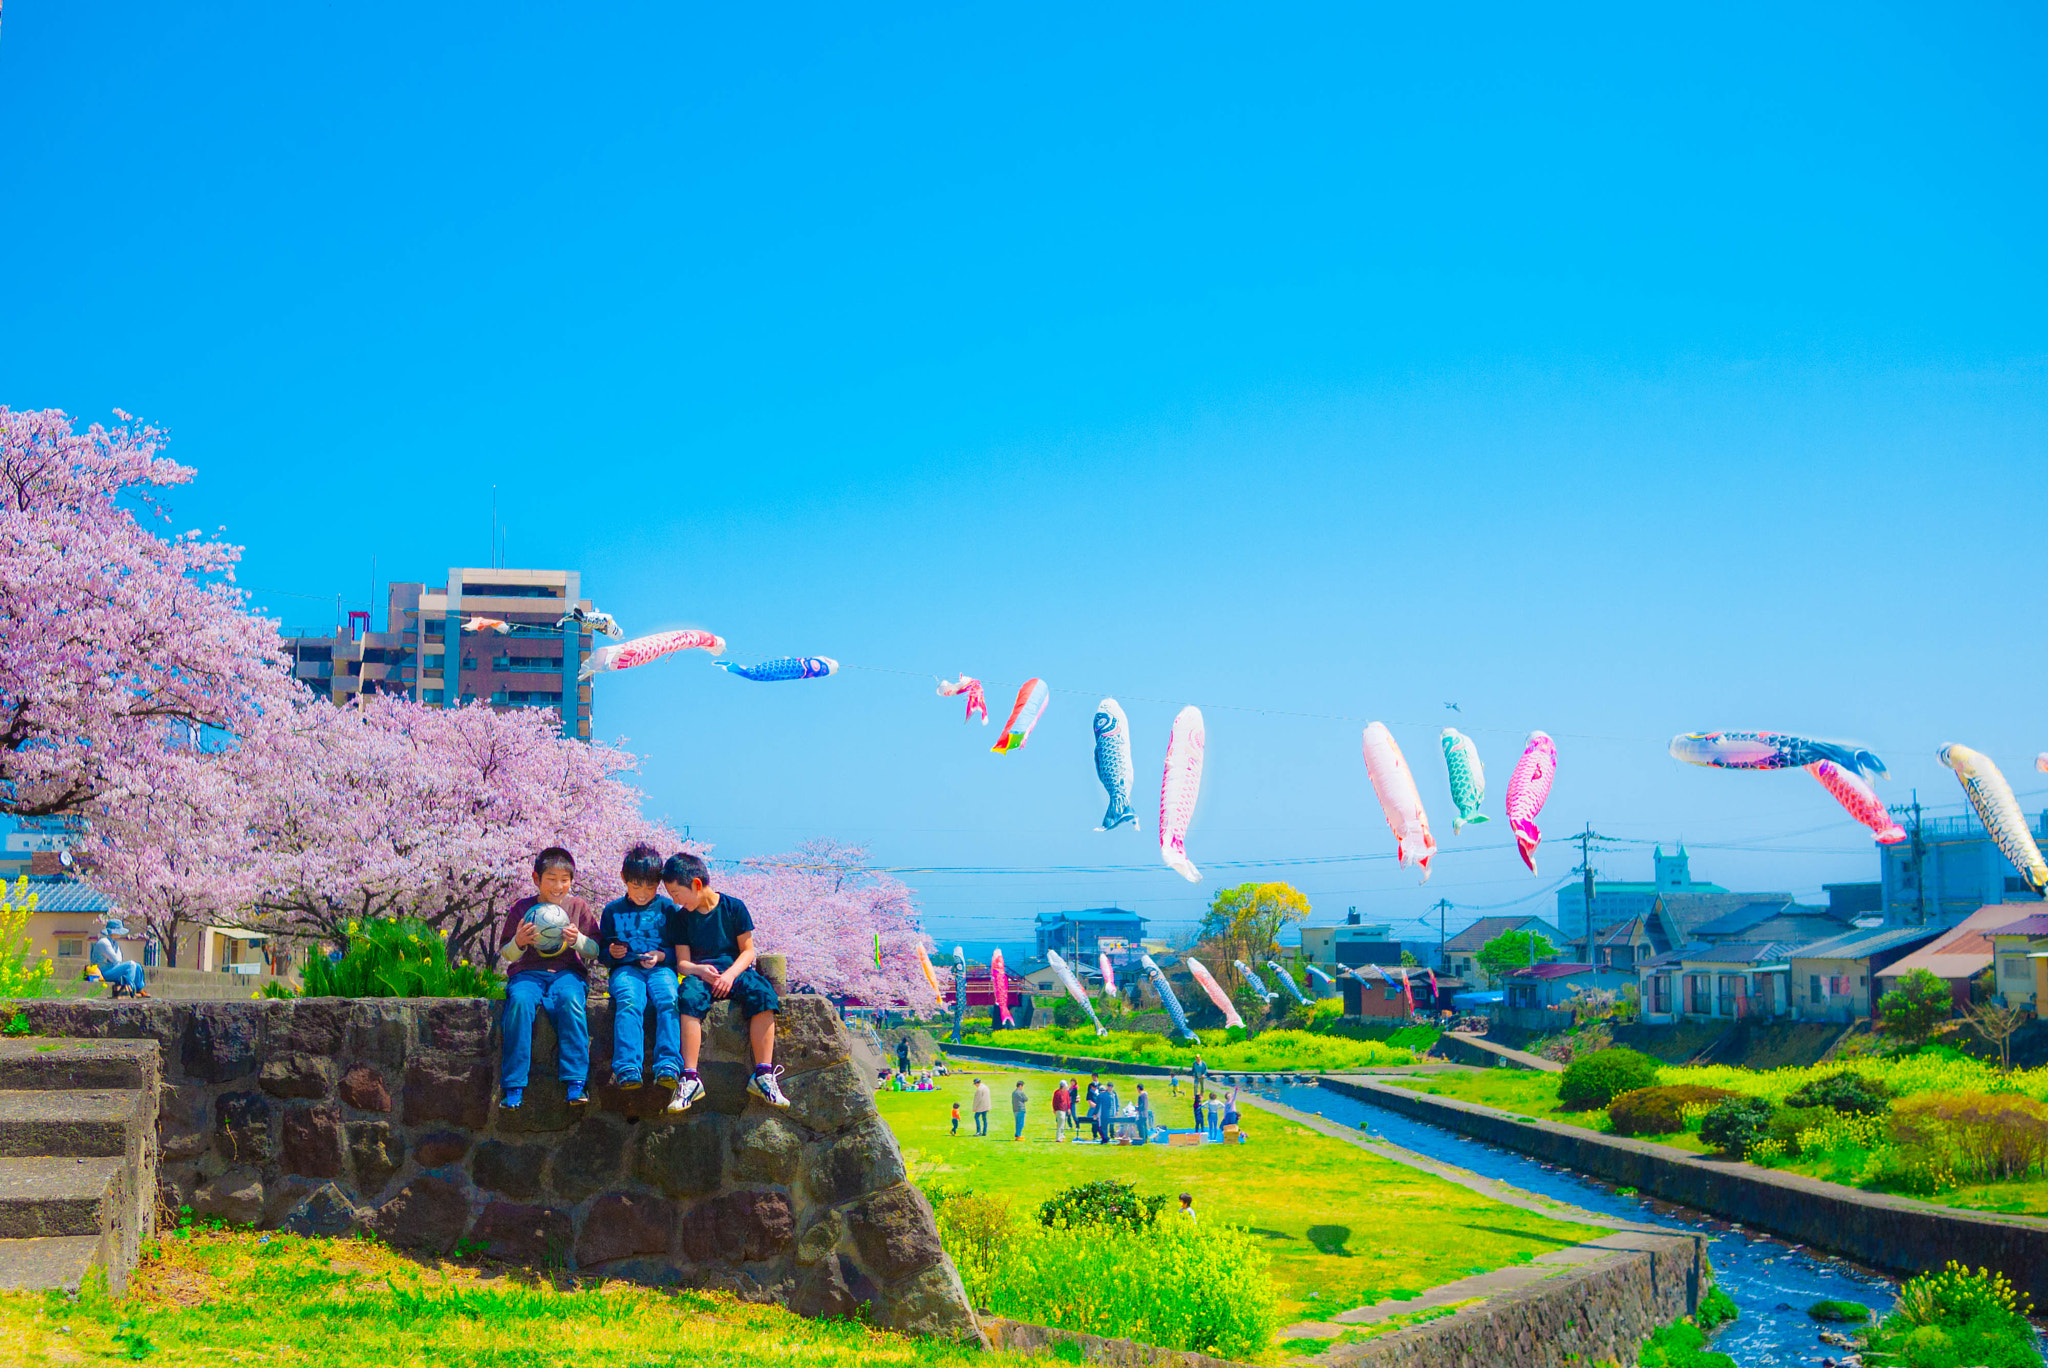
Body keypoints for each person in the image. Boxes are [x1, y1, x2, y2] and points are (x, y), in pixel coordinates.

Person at [661, 851, 789, 1110]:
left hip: (736, 971)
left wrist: (730, 975)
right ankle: (690, 1077)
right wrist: (699, 970)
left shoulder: (734, 907)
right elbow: (682, 962)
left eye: (676, 894)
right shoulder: (681, 918)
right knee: (688, 999)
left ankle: (763, 1073)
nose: (675, 900)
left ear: (696, 884)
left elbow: (748, 951)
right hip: (701, 974)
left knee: (763, 994)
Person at [496, 847, 599, 1110]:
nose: (558, 886)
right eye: (551, 878)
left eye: (564, 880)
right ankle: (514, 1086)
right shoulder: (522, 908)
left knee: (570, 1001)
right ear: (536, 879)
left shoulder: (577, 907)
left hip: (567, 975)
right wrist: (519, 942)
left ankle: (576, 1081)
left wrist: (579, 941)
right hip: (527, 975)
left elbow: (596, 950)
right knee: (519, 1003)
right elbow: (506, 952)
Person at [598, 844, 683, 1094]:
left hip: (661, 969)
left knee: (669, 998)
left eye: (650, 887)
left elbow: (680, 950)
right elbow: (602, 951)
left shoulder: (668, 909)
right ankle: (627, 1067)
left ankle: (668, 1064)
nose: (643, 893)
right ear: (624, 879)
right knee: (629, 1001)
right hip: (626, 970)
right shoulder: (613, 910)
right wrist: (612, 953)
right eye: (636, 886)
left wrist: (662, 955)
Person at [90, 918, 147, 999]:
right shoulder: (104, 942)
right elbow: (116, 959)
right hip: (102, 972)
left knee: (137, 966)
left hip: (111, 968)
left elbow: (119, 959)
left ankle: (139, 989)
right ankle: (129, 989)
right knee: (131, 964)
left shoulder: (114, 943)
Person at [1096, 1078, 1119, 1145]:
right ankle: (1105, 1138)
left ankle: (1111, 1135)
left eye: (1111, 1087)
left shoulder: (1114, 1094)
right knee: (1104, 1126)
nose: (1110, 1088)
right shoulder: (1104, 1095)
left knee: (1111, 1125)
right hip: (1105, 1113)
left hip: (1112, 1112)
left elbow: (1116, 1102)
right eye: (1108, 1087)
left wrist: (1117, 1110)